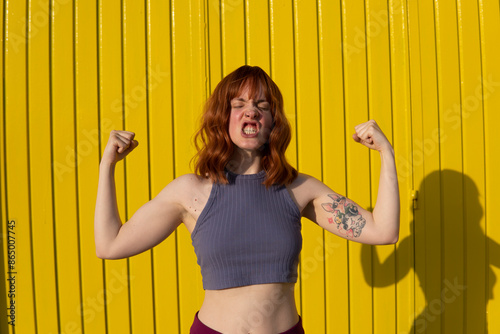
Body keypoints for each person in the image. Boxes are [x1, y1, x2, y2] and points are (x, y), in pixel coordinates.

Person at [94, 65, 400, 334]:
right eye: (238, 104)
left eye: (262, 105)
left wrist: (387, 154)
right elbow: (110, 245)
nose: (250, 111)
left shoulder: (298, 188)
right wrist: (106, 166)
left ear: (272, 122)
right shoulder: (190, 192)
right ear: (223, 118)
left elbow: (383, 231)